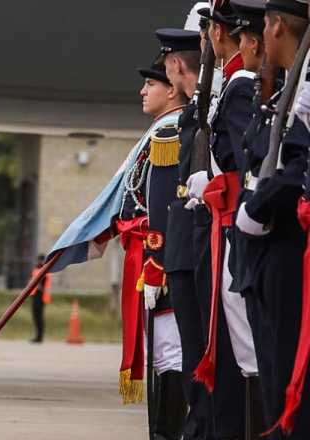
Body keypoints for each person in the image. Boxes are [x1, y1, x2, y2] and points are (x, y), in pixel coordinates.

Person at [188, 6, 262, 438]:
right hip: (229, 224)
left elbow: (245, 167)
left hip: (237, 227)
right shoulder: (234, 87)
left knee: (247, 347)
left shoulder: (240, 87)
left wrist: (214, 186)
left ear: (220, 34)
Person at [238, 0, 310, 436]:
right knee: (273, 375)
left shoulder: (303, 87)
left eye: (263, 27)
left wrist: (256, 207)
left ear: (278, 24)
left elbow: (300, 166)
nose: (262, 37)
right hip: (269, 243)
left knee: (287, 380)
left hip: (287, 242)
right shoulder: (287, 85)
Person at [158, 23, 214, 439]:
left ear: (176, 64)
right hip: (185, 242)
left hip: (205, 241)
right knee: (193, 354)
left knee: (204, 354)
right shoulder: (197, 110)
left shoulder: (211, 106)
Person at [134, 59, 188, 440]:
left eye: (151, 84)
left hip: (164, 261)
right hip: (154, 256)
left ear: (171, 89)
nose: (143, 91)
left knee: (171, 355)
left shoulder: (170, 132)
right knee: (162, 356)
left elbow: (164, 205)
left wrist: (156, 264)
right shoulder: (159, 130)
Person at [29, 254, 51, 344]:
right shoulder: (35, 269)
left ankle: (40, 337)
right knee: (35, 317)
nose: (39, 262)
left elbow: (43, 284)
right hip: (35, 296)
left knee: (39, 318)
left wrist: (38, 286)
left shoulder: (46, 270)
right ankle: (37, 336)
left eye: (41, 260)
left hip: (41, 297)